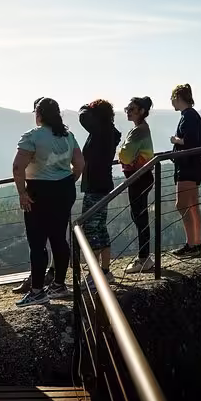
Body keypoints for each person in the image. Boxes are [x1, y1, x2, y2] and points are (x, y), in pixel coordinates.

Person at [12, 97, 84, 307]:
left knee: (37, 242)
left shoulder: (32, 136)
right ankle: (59, 285)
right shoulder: (68, 136)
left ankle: (37, 291)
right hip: (64, 189)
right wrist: (70, 180)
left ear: (39, 114)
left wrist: (22, 193)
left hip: (39, 192)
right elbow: (79, 163)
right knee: (59, 238)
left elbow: (18, 167)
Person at [78, 99, 122, 289]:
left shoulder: (100, 131)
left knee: (90, 229)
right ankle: (104, 271)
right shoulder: (110, 132)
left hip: (95, 186)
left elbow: (82, 115)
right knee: (100, 228)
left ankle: (95, 274)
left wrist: (87, 106)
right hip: (104, 183)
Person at [118, 96, 155, 274]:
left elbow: (125, 156)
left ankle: (144, 258)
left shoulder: (138, 131)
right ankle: (144, 257)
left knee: (139, 217)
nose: (128, 111)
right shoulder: (141, 129)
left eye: (131, 109)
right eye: (127, 108)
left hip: (138, 177)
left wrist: (121, 151)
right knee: (140, 217)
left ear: (141, 111)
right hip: (142, 176)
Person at [169, 84, 201, 256]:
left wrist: (175, 140)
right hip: (194, 165)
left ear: (178, 97)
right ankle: (197, 243)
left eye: (172, 99)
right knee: (192, 205)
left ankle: (191, 245)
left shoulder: (188, 116)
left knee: (182, 204)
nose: (171, 103)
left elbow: (189, 141)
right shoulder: (192, 115)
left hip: (187, 166)